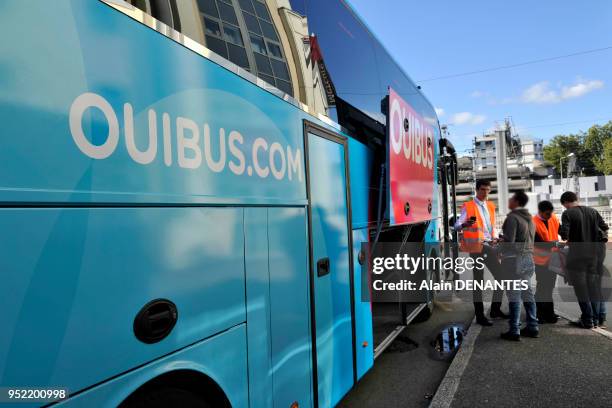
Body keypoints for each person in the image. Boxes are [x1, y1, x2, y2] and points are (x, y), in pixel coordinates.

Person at [454, 179, 507, 326]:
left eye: (488, 189)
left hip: (490, 245)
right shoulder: (469, 206)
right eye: (483, 189)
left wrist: (496, 238)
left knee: (501, 278)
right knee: (479, 282)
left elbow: (491, 226)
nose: (485, 192)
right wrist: (465, 224)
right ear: (477, 190)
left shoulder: (490, 206)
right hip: (477, 247)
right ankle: (480, 315)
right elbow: (457, 225)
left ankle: (495, 309)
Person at [558, 191, 609, 329]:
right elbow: (604, 227)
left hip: (577, 257)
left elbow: (564, 235)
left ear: (565, 203)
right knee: (593, 288)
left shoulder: (567, 214)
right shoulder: (592, 211)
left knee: (581, 290)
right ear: (577, 199)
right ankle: (597, 319)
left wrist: (560, 229)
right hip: (593, 256)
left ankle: (587, 319)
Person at [499, 191, 538, 341]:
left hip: (514, 260)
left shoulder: (512, 218)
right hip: (528, 258)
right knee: (528, 294)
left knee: (514, 295)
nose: (508, 200)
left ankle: (514, 330)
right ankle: (533, 326)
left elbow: (510, 242)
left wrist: (500, 242)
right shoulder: (530, 219)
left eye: (511, 198)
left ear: (516, 201)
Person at [532, 200, 560, 323]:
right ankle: (539, 314)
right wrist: (557, 243)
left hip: (552, 259)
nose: (549, 216)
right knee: (542, 287)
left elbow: (561, 230)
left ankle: (550, 314)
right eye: (547, 214)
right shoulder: (533, 223)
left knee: (550, 287)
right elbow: (538, 243)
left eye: (550, 213)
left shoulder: (553, 218)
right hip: (540, 261)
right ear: (540, 212)